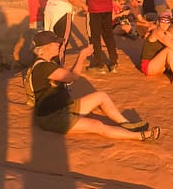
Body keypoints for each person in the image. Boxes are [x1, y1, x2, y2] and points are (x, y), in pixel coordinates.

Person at [26, 31, 160, 140]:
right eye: (56, 43)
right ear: (46, 47)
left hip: (65, 106)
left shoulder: (47, 63)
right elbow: (73, 77)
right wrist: (82, 56)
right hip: (52, 117)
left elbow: (68, 77)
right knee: (97, 125)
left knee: (101, 96)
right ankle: (139, 136)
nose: (59, 45)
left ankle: (128, 125)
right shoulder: (43, 67)